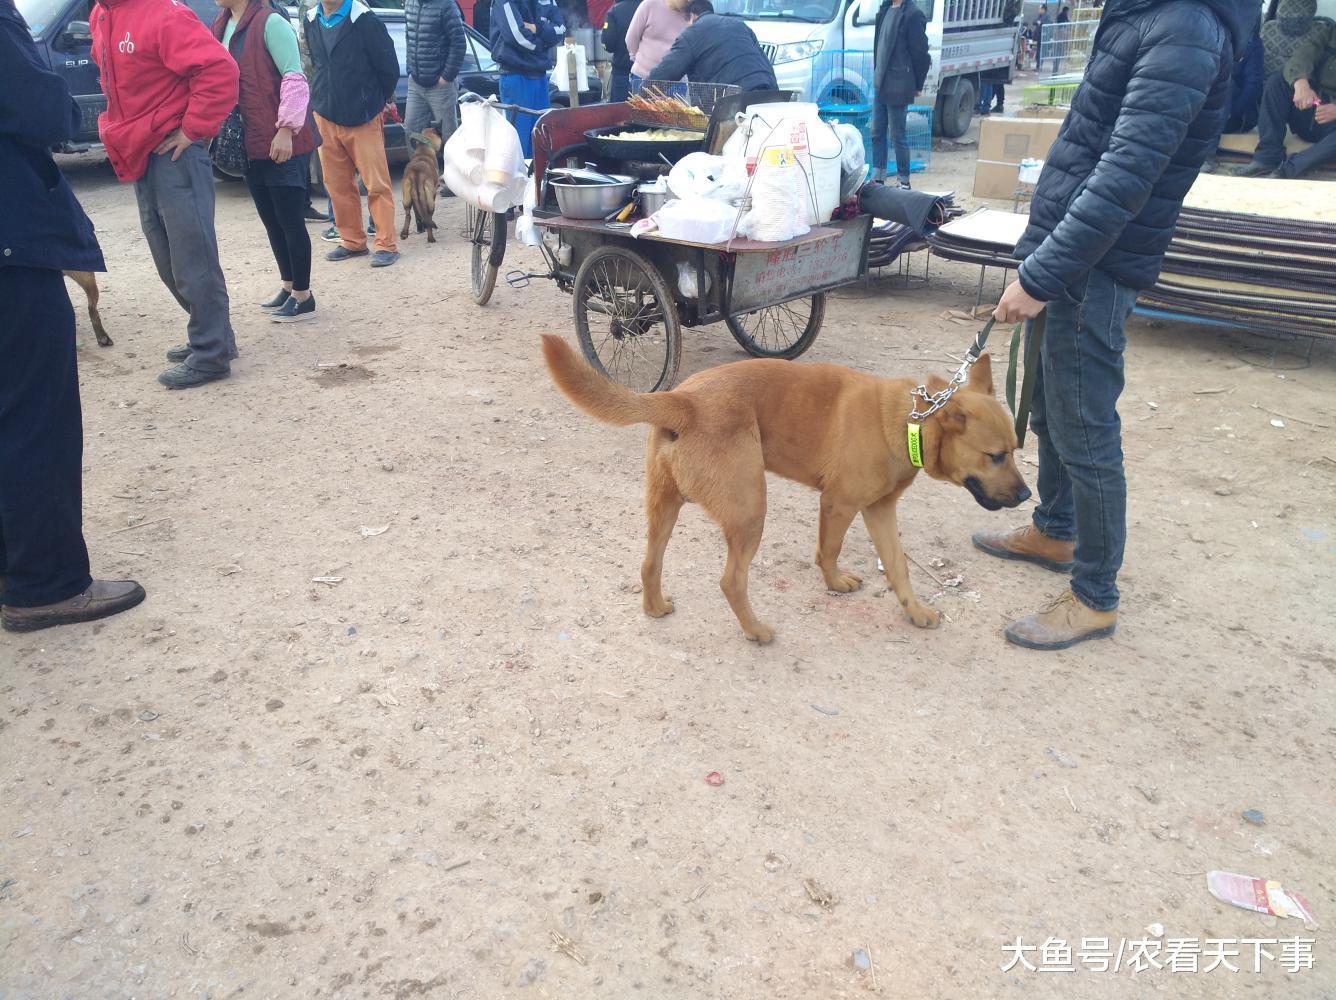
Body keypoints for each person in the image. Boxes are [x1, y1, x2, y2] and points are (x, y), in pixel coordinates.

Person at [977, 0, 1254, 651]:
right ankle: (1055, 530)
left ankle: (1094, 596)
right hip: (1075, 253)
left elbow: (1126, 173)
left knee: (1085, 429)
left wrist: (1042, 276)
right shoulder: (1151, 15)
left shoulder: (1185, 26)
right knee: (1051, 410)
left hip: (1096, 266)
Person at [1, 0, 146, 631]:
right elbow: (45, 110)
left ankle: (15, 566)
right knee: (35, 416)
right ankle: (46, 584)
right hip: (11, 245)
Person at [91, 0, 240, 390]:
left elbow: (220, 69)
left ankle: (210, 353)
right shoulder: (102, 14)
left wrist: (192, 129)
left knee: (192, 259)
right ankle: (216, 336)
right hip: (142, 151)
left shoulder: (162, 13)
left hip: (174, 153)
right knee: (168, 258)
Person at [212, 0, 320, 322]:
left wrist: (286, 130)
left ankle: (303, 296)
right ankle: (288, 286)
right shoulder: (221, 24)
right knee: (271, 221)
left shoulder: (271, 23)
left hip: (282, 141)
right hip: (250, 142)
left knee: (290, 220)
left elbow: (295, 79)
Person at [1236, 18, 1336, 178]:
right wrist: (1300, 82)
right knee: (1277, 82)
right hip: (1313, 105)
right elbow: (1301, 57)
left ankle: (1289, 169)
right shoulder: (1330, 33)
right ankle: (1267, 157)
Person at [648, 0, 777, 92]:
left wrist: (641, 93)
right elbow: (766, 63)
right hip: (769, 91)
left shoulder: (692, 33)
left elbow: (665, 72)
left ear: (692, 15)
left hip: (735, 99)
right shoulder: (740, 25)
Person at [490, 0, 562, 158]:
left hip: (540, 76)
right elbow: (517, 35)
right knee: (520, 145)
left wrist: (536, 29)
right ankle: (521, 174)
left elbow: (560, 30)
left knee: (542, 141)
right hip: (516, 76)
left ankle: (540, 174)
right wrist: (544, 42)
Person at [870, 0, 929, 188]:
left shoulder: (912, 14)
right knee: (877, 131)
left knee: (897, 134)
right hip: (881, 81)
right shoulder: (885, 9)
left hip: (898, 83)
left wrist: (917, 83)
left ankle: (904, 180)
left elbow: (921, 53)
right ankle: (878, 177)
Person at [1203, 18, 1263, 171]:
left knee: (1226, 82)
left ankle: (1207, 154)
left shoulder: (1252, 44)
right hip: (1205, 111)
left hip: (1238, 115)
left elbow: (1253, 87)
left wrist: (1231, 111)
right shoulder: (1209, 35)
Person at [405, 0, 467, 145]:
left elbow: (459, 43)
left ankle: (450, 162)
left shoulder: (446, 5)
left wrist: (447, 76)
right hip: (416, 83)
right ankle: (419, 162)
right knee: (411, 131)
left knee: (449, 137)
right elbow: (409, 36)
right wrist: (410, 69)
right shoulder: (409, 3)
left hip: (440, 86)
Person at [625, 0, 689, 86]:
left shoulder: (690, 13)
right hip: (643, 76)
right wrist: (638, 60)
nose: (688, 1)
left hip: (676, 81)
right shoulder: (649, 4)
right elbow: (631, 37)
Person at [603, 0, 643, 102]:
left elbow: (608, 44)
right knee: (644, 110)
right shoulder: (651, 7)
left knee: (619, 110)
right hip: (647, 73)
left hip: (622, 72)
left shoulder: (615, 11)